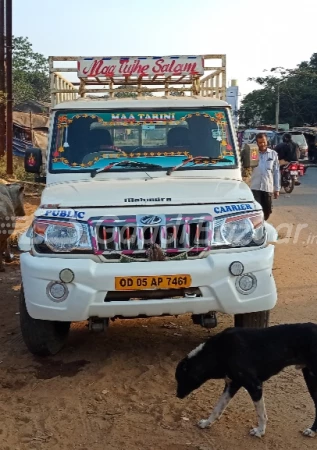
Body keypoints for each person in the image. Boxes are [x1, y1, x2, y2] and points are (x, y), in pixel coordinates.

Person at [250, 133, 280, 221]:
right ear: (257, 143)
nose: (262, 144)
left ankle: (263, 222)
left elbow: (276, 171)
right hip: (255, 186)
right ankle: (260, 225)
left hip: (268, 187)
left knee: (268, 209)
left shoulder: (273, 154)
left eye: (264, 142)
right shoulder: (253, 154)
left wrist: (277, 189)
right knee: (257, 210)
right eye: (260, 143)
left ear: (267, 141)